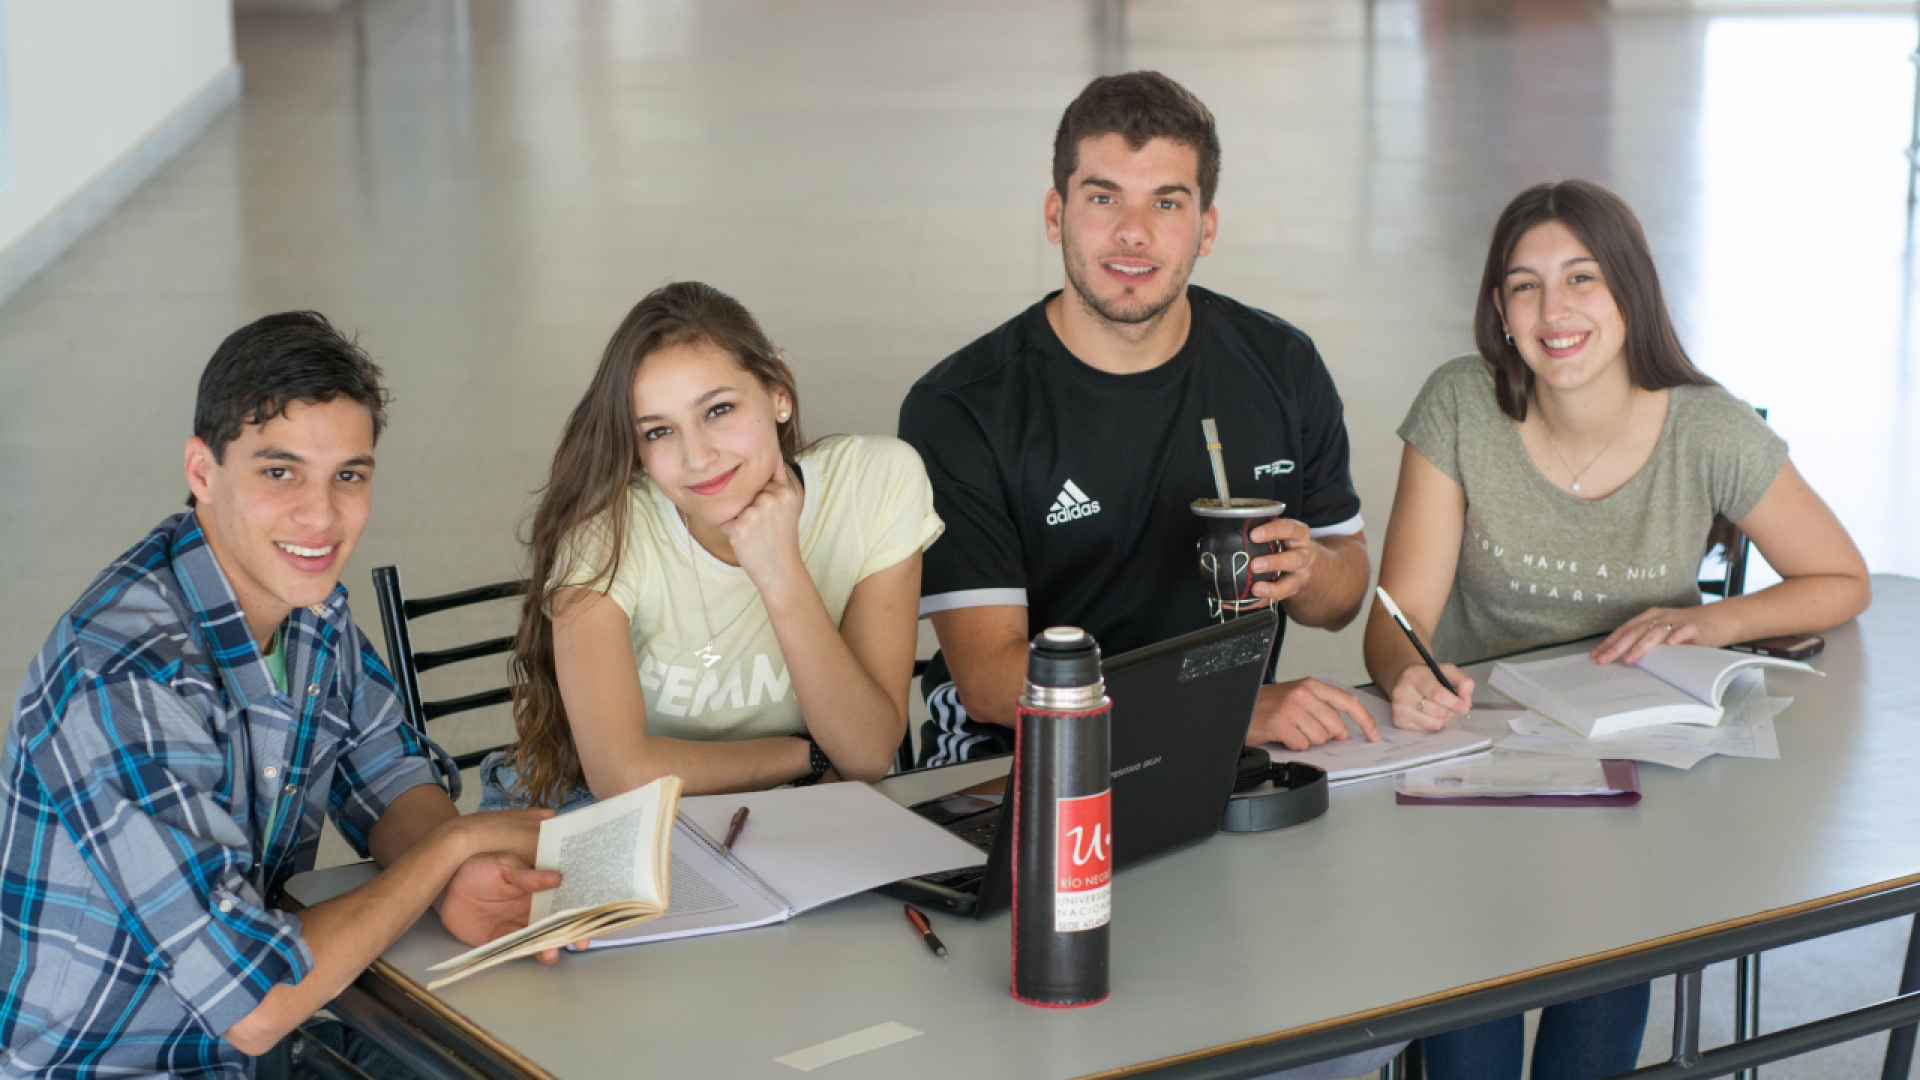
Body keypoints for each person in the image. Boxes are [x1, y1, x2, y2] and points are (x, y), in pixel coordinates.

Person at [1363, 179, 1871, 1080]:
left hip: (1637, 786)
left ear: (1630, 291)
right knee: (1468, 1042)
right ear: (1500, 310)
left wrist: (1710, 620)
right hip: (1480, 773)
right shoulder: (1459, 406)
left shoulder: (1706, 428)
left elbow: (1841, 579)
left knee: (1594, 1001)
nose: (1553, 311)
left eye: (1582, 278)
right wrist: (1410, 673)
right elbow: (1397, 620)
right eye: (1525, 286)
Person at [0, 313, 562, 1080]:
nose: (321, 516)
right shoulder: (122, 681)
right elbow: (254, 1004)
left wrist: (458, 878)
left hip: (259, 1053)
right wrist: (454, 848)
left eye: (349, 476)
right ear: (202, 471)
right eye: (279, 471)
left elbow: (388, 771)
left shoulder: (309, 606)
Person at [898, 71, 1378, 769]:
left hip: (1217, 751)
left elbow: (1341, 593)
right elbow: (991, 684)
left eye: (1167, 202)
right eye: (1103, 197)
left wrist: (1311, 572)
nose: (1133, 232)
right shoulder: (963, 409)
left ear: (1206, 228)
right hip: (1012, 764)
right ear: (1055, 214)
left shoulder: (1282, 365)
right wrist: (1221, 709)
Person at [482, 281, 942, 812]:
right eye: (658, 432)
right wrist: (807, 757)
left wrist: (780, 573)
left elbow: (866, 754)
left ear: (779, 391)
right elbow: (620, 773)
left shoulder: (877, 482)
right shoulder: (602, 535)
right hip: (599, 808)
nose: (697, 457)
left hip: (784, 809)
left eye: (718, 409)